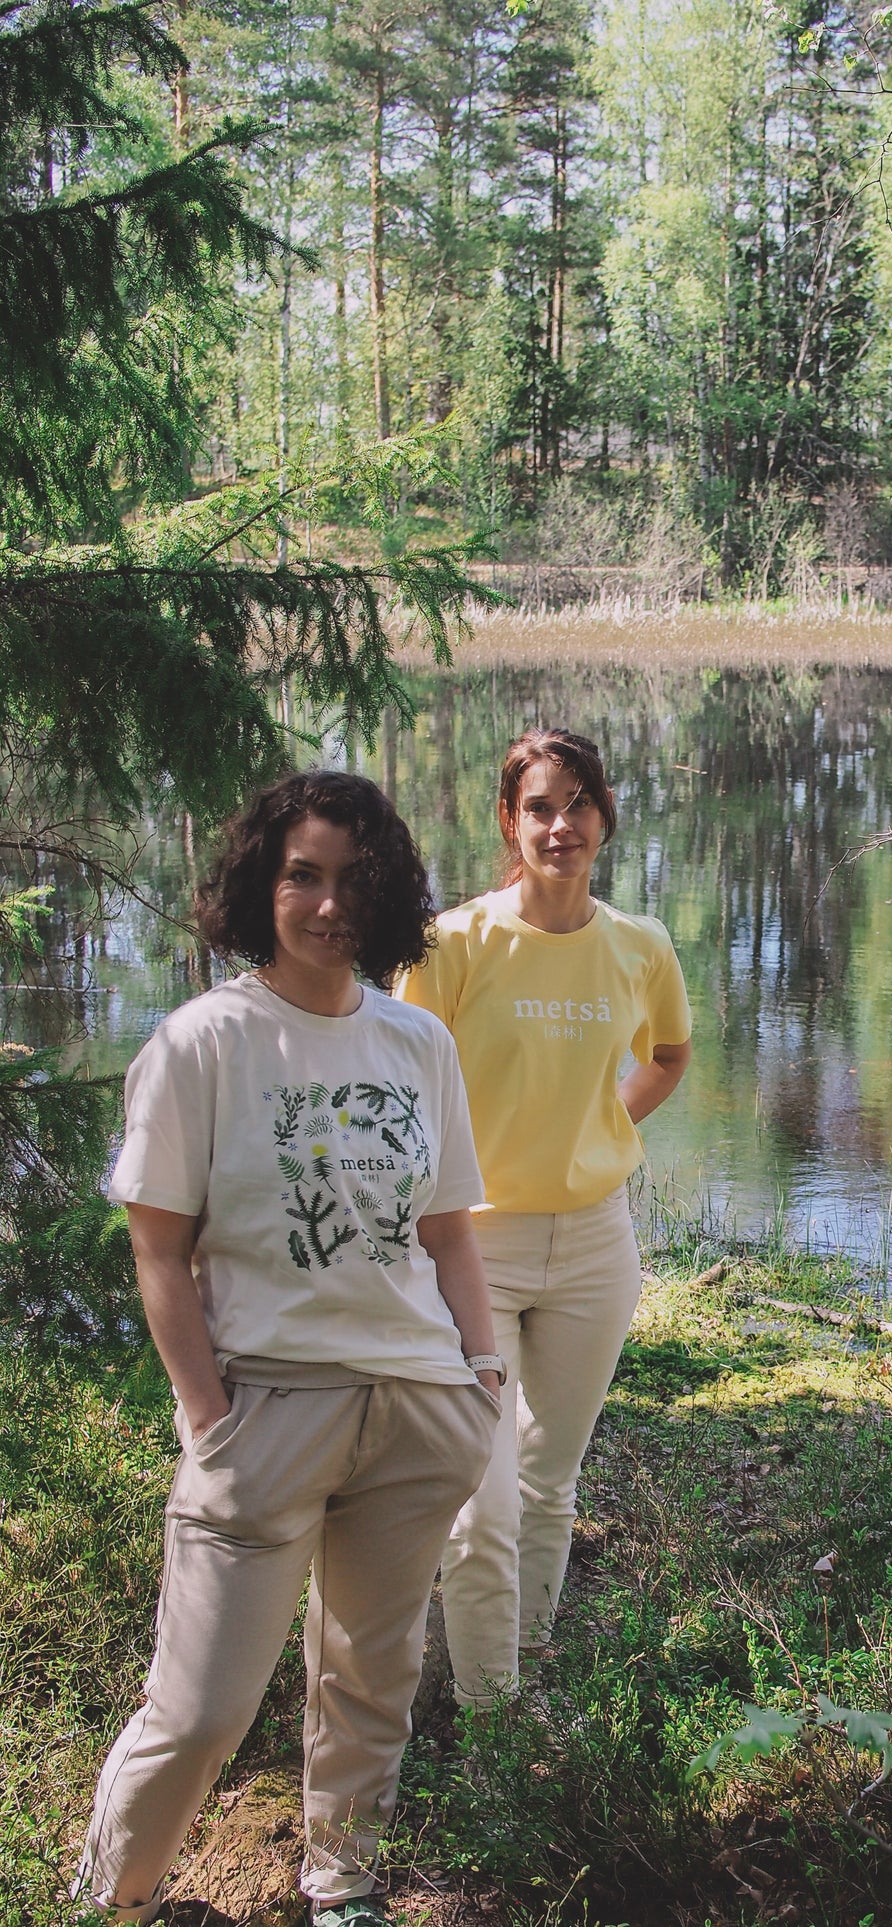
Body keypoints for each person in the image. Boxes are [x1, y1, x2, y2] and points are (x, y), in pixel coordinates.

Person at [76, 771, 506, 1927]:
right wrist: (209, 1415)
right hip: (265, 1411)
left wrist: (482, 1374)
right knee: (204, 1707)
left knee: (373, 1677)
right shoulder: (204, 1042)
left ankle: (342, 1881)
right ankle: (111, 1895)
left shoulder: (417, 1040)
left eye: (352, 879)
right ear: (261, 884)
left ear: (388, 893)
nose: (327, 903)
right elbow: (161, 1253)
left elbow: (448, 1230)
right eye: (301, 875)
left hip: (417, 1410)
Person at [395, 726, 691, 1708]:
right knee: (478, 1509)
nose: (559, 826)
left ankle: (512, 1675)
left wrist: (608, 1118)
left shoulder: (638, 945)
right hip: (474, 1244)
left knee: (546, 1483)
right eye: (538, 808)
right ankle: (493, 1729)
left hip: (596, 1247)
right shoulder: (453, 945)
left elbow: (667, 1055)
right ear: (508, 822)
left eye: (577, 804)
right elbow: (401, 1086)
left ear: (603, 816)